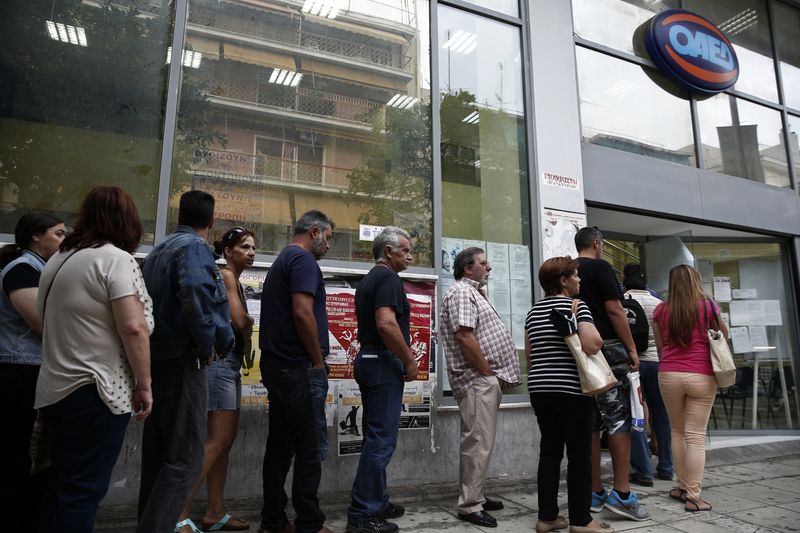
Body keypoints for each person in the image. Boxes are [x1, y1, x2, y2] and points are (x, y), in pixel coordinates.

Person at [34, 186, 153, 533]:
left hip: (55, 388)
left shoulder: (58, 259)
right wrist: (144, 384)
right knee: (83, 492)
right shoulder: (115, 259)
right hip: (98, 390)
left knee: (60, 487)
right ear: (127, 221)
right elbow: (133, 328)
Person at [138, 190, 235, 533]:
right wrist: (207, 343)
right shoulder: (193, 248)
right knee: (184, 457)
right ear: (211, 221)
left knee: (159, 455)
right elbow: (196, 295)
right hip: (183, 359)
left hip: (159, 358)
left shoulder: (159, 250)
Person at [258, 210, 336, 533]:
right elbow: (303, 314)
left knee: (279, 446)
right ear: (314, 231)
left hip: (277, 367)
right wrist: (317, 362)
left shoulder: (284, 259)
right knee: (308, 446)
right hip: (296, 367)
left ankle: (273, 521)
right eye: (328, 237)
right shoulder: (303, 261)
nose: (328, 245)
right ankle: (309, 523)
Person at [177, 227, 256, 532]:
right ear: (227, 252)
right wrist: (248, 324)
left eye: (252, 248)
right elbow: (239, 321)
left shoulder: (235, 280)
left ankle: (215, 512)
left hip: (230, 363)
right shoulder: (225, 277)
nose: (250, 252)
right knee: (217, 440)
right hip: (220, 364)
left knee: (225, 441)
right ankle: (177, 512)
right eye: (244, 247)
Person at [526, 256, 613, 533]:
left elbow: (530, 354)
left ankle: (547, 517)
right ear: (563, 280)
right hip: (572, 390)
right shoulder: (577, 306)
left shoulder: (533, 312)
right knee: (579, 454)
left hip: (540, 389)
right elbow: (593, 344)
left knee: (550, 452)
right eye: (575, 275)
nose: (579, 280)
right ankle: (581, 520)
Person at [440, 247, 520, 528]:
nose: (489, 268)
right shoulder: (463, 291)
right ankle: (470, 505)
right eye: (483, 263)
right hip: (477, 379)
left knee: (480, 442)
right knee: (477, 443)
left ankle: (477, 495)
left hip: (481, 379)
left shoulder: (472, 291)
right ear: (467, 269)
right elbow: (464, 334)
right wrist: (486, 371)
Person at [346, 227, 418, 533]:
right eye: (405, 250)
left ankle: (377, 499)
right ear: (388, 251)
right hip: (381, 363)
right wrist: (409, 359)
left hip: (369, 359)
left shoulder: (370, 279)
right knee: (381, 441)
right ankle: (363, 514)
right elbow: (386, 323)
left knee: (376, 437)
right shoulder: (388, 278)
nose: (410, 256)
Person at [574, 227, 649, 522]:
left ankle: (594, 492)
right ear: (596, 243)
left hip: (580, 354)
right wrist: (632, 349)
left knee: (591, 424)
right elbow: (616, 309)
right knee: (619, 420)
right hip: (609, 351)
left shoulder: (568, 269)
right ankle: (622, 493)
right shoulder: (601, 267)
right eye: (602, 244)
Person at [0, 211, 65, 530]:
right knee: (17, 454)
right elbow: (41, 324)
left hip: (32, 369)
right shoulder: (23, 269)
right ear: (35, 236)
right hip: (19, 370)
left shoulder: (41, 270)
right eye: (58, 234)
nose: (64, 241)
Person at [652, 264, 727, 513]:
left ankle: (682, 486)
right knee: (695, 435)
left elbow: (661, 349)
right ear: (696, 280)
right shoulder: (707, 306)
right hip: (701, 374)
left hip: (669, 373)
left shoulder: (661, 310)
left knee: (677, 431)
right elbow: (723, 335)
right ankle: (694, 496)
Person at [623, 264, 673, 486]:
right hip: (656, 363)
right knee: (662, 415)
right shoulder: (659, 303)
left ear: (624, 279)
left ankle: (643, 470)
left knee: (636, 414)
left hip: (632, 365)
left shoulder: (621, 301)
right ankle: (666, 466)